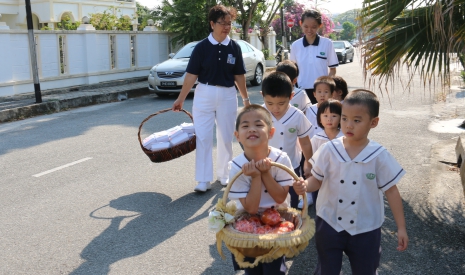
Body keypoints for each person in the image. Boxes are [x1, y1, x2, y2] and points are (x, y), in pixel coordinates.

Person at [294, 89, 409, 275]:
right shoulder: (329, 149)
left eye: (357, 120)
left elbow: (392, 191)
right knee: (327, 269)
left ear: (374, 122)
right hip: (329, 223)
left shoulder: (378, 155)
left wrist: (401, 228)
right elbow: (317, 179)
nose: (349, 125)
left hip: (366, 228)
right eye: (345, 118)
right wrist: (305, 186)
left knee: (366, 269)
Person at [171, 5, 251, 192]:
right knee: (204, 137)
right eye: (222, 23)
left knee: (225, 137)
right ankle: (203, 180)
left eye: (229, 23)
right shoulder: (201, 48)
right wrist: (181, 98)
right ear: (212, 24)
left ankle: (224, 175)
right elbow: (191, 75)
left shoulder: (234, 47)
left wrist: (246, 99)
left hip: (228, 95)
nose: (226, 27)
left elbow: (239, 75)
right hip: (204, 94)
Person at [228, 104, 294, 274]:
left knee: (274, 269)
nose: (252, 129)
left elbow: (280, 198)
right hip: (247, 226)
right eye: (245, 126)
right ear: (237, 136)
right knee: (252, 270)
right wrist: (256, 177)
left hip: (277, 223)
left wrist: (265, 173)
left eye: (258, 125)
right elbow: (250, 208)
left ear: (271, 132)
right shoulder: (236, 166)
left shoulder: (281, 159)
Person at [261, 72, 313, 209]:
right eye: (270, 103)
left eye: (281, 103)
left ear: (291, 96)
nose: (275, 108)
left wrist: (308, 162)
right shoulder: (258, 114)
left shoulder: (297, 115)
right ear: (262, 96)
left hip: (291, 166)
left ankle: (291, 227)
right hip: (264, 165)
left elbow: (305, 142)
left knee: (290, 204)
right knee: (266, 203)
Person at [290, 9, 339, 104]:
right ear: (301, 23)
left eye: (314, 27)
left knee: (322, 117)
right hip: (301, 91)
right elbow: (292, 71)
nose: (309, 30)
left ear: (320, 26)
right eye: (306, 26)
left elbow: (333, 69)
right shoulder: (296, 45)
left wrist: (326, 87)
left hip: (322, 93)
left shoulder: (327, 43)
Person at [307, 99, 344, 206]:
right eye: (325, 115)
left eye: (334, 116)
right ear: (319, 118)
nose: (329, 119)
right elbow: (310, 157)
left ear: (341, 118)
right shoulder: (316, 138)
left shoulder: (344, 138)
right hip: (319, 178)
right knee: (320, 203)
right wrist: (307, 167)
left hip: (340, 178)